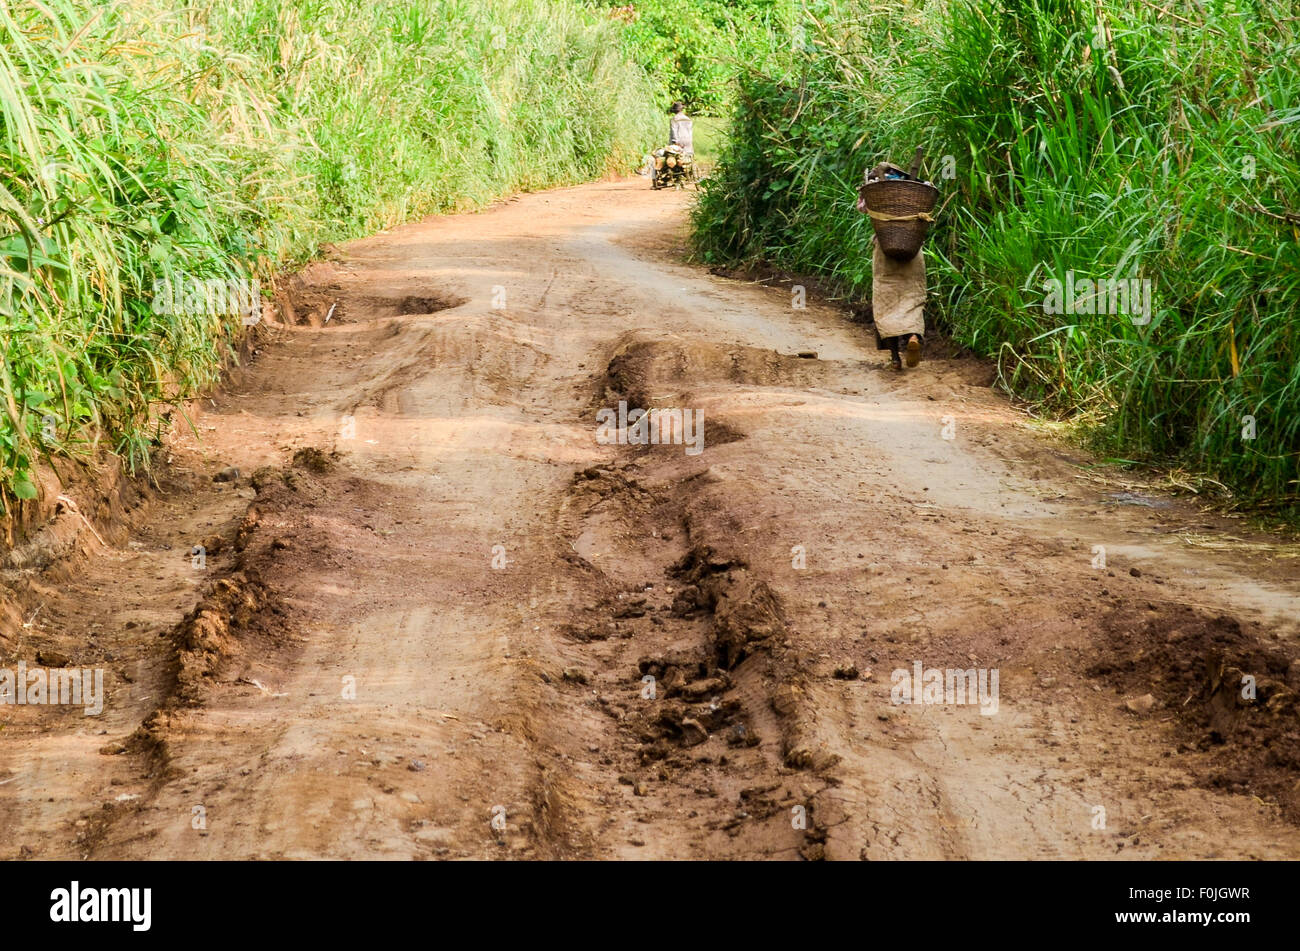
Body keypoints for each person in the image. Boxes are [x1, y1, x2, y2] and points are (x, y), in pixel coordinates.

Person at [858, 163, 925, 370]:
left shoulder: (876, 193)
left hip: (884, 251)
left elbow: (862, 208)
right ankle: (913, 336)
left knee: (885, 302)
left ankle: (895, 358)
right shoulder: (915, 192)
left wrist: (865, 189)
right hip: (913, 251)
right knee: (913, 298)